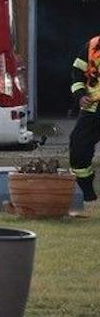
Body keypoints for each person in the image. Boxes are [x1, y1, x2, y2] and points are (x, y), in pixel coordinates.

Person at [71, 35, 100, 202]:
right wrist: (80, 96)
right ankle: (87, 195)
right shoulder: (93, 45)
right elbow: (77, 73)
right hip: (93, 108)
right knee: (78, 146)